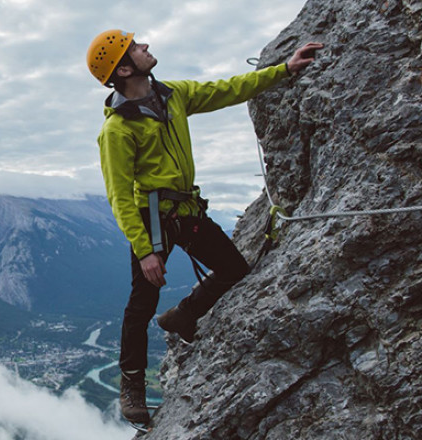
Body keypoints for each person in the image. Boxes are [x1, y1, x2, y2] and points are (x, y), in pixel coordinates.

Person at [86, 29, 322, 424]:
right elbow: (119, 195)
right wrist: (144, 250)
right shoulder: (117, 130)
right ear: (124, 68)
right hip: (153, 219)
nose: (145, 47)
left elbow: (225, 90)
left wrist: (284, 70)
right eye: (136, 47)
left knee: (235, 270)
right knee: (140, 306)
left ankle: (183, 316)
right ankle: (132, 386)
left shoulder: (171, 95)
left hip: (187, 212)